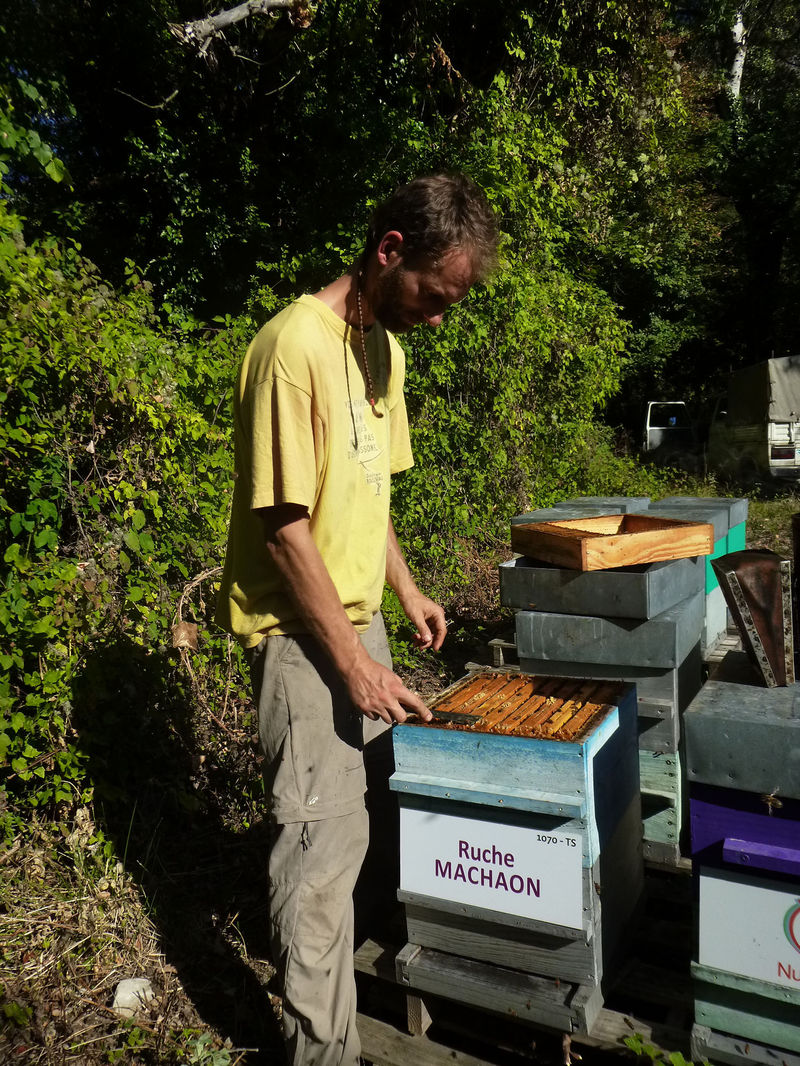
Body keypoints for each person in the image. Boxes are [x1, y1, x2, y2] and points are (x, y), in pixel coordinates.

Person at [216, 173, 498, 1066]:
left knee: (364, 832)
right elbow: (283, 527)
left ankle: (348, 1010)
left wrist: (406, 590)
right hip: (302, 641)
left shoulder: (384, 351)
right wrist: (351, 663)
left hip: (358, 629)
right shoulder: (290, 348)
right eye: (433, 295)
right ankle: (321, 1052)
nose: (439, 318)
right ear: (388, 251)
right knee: (319, 858)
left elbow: (367, 493)